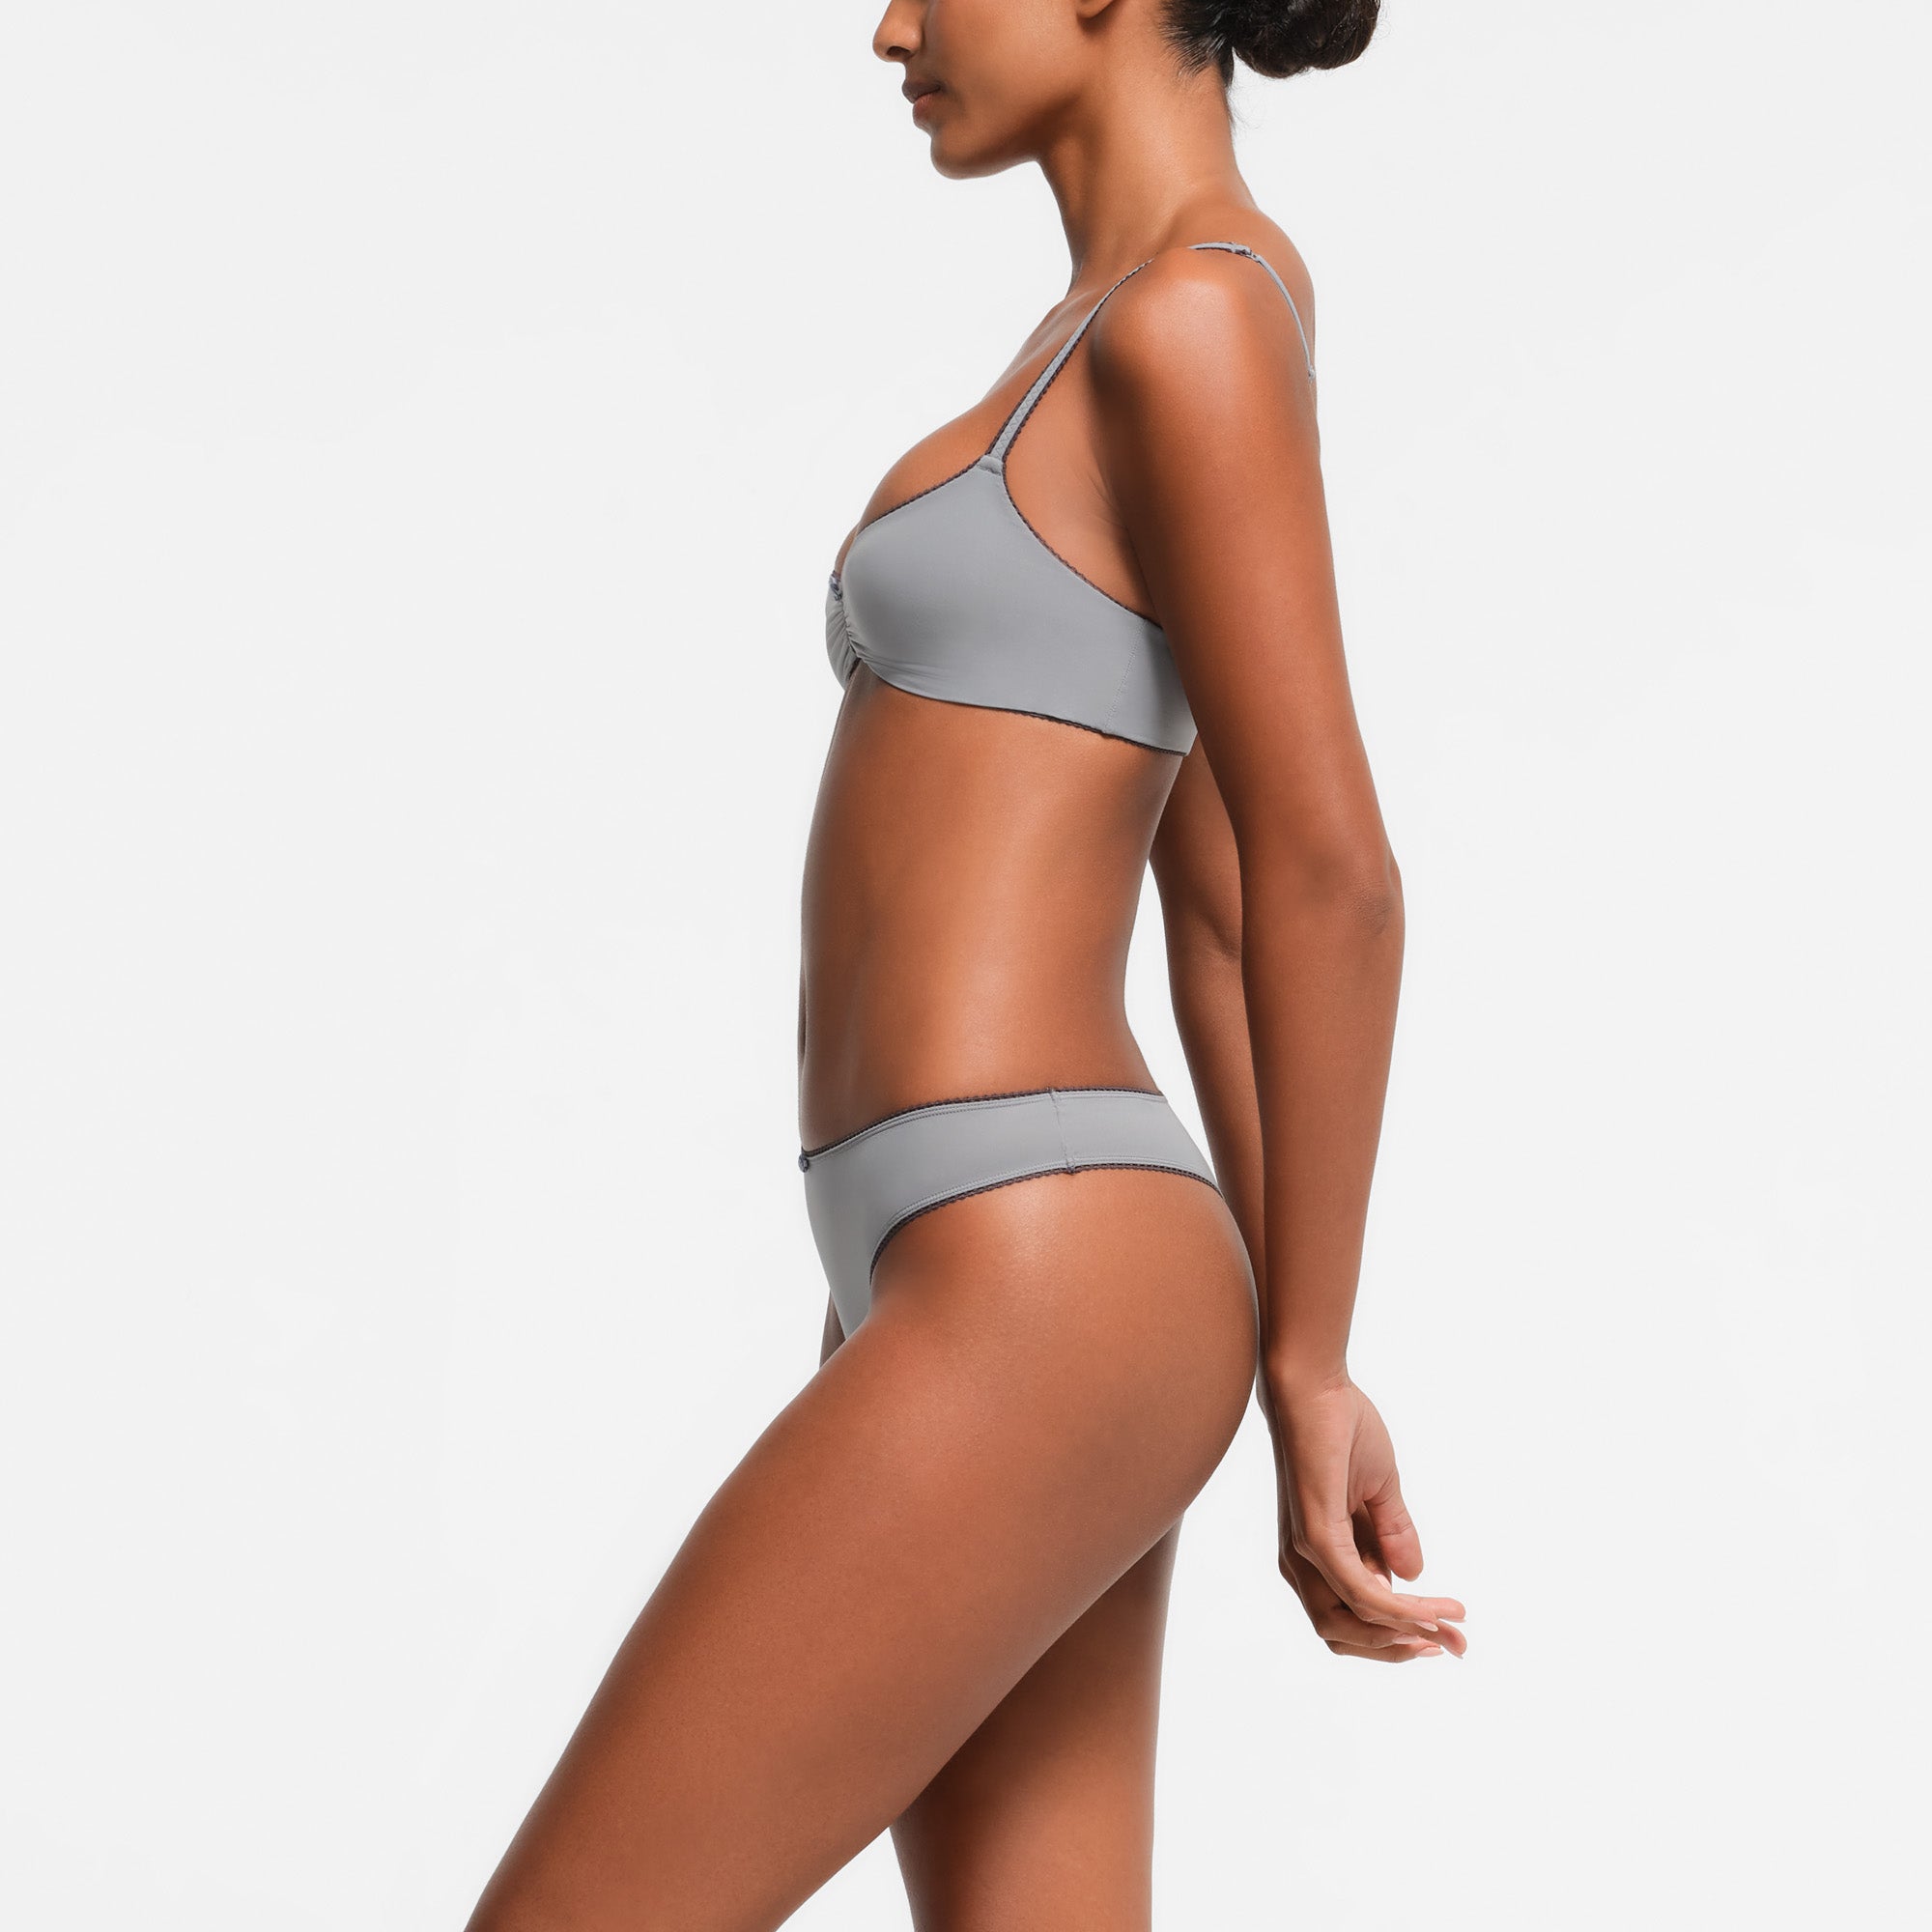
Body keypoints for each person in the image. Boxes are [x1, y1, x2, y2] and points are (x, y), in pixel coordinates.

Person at [467, 2, 1465, 1925]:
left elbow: (1327, 877)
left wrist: (1311, 1355)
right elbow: (1210, 900)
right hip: (977, 1264)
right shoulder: (1113, 330)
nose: (892, 28)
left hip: (1041, 1269)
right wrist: (1277, 1341)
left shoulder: (1198, 318)